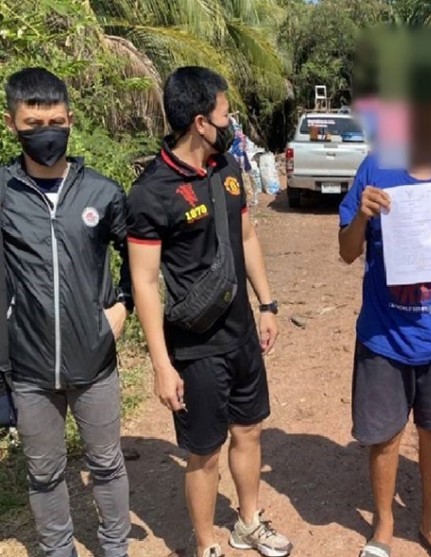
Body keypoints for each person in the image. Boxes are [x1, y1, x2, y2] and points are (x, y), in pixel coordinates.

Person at [126, 67, 290, 557]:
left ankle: (248, 522)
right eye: (224, 115)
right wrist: (162, 364)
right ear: (200, 122)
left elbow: (247, 237)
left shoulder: (228, 169)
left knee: (249, 430)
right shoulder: (151, 192)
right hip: (195, 347)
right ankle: (206, 544)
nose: (230, 123)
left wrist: (267, 304)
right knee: (203, 453)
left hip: (241, 334)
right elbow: (144, 283)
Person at [338, 108, 431, 557]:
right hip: (383, 338)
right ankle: (383, 527)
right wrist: (361, 218)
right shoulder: (375, 169)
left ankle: (430, 525)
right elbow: (347, 252)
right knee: (384, 437)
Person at [1, 67, 132, 557]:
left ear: (71, 119)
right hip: (29, 368)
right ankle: (59, 551)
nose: (46, 133)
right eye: (33, 124)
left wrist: (123, 306)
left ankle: (115, 549)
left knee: (107, 463)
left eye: (55, 122)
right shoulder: (3, 192)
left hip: (95, 360)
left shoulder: (102, 192)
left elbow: (139, 254)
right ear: (11, 123)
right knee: (43, 473)